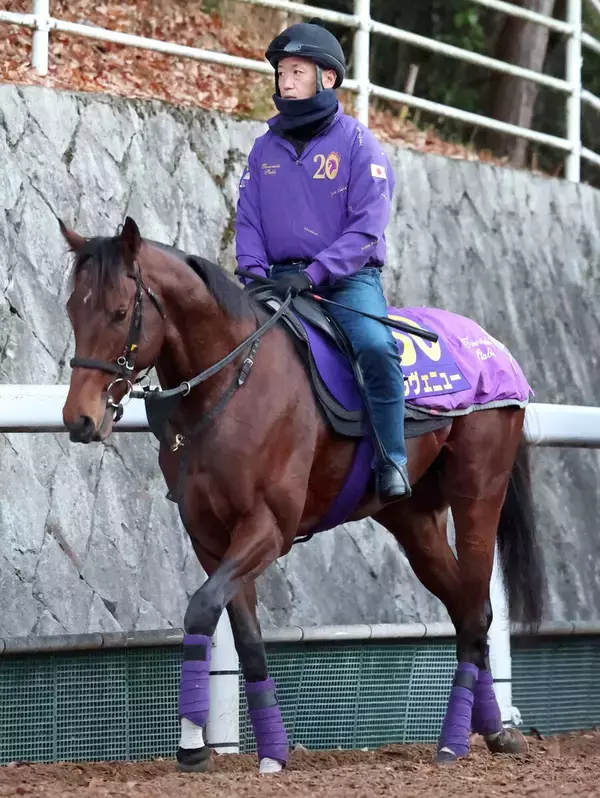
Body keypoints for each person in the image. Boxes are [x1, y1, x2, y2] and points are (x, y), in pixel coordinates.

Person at [234, 18, 411, 503]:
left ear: (327, 78)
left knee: (375, 347)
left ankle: (392, 458)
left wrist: (313, 274)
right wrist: (253, 276)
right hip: (276, 280)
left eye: (296, 72)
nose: (285, 82)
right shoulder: (263, 149)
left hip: (348, 281)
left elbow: (367, 228)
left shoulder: (358, 143)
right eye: (281, 73)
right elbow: (248, 220)